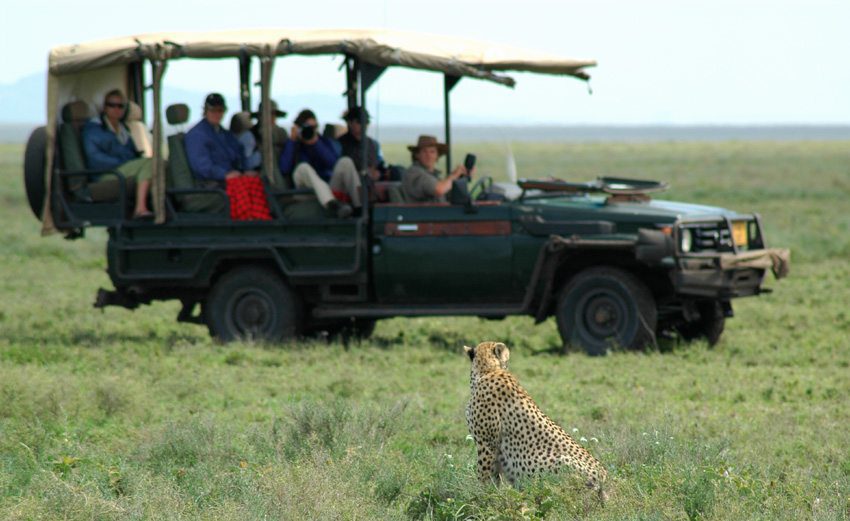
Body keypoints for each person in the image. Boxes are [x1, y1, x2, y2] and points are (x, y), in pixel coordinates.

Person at [81, 89, 153, 218]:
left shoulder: (122, 129)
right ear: (104, 107)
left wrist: (133, 161)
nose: (116, 109)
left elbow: (131, 152)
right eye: (112, 105)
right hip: (105, 174)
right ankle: (140, 208)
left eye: (120, 106)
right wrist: (126, 163)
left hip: (121, 169)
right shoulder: (94, 130)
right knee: (150, 164)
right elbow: (95, 159)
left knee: (158, 164)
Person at [278, 109, 357, 218]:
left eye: (314, 127)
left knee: (346, 162)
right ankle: (331, 204)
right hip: (305, 190)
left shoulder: (322, 141)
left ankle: (359, 206)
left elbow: (333, 163)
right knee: (303, 167)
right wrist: (292, 140)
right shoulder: (294, 144)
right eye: (307, 128)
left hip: (327, 187)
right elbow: (284, 168)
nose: (310, 130)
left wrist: (316, 143)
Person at [185, 93, 259, 185]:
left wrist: (245, 170)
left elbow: (238, 152)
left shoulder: (225, 134)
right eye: (213, 110)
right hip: (211, 183)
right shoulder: (197, 135)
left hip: (229, 178)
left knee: (259, 184)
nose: (216, 114)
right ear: (205, 111)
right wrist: (224, 174)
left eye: (220, 110)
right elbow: (202, 166)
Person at [402, 135, 471, 202]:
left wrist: (461, 177)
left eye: (432, 152)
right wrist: (454, 175)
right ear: (417, 155)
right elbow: (439, 190)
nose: (428, 155)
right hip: (423, 213)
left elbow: (449, 194)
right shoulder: (414, 172)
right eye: (424, 151)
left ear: (437, 155)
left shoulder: (433, 175)